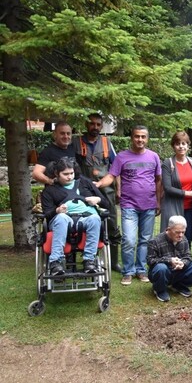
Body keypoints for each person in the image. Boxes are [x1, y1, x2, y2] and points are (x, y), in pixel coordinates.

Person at [95, 125, 162, 286]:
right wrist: (97, 185)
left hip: (149, 205)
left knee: (145, 240)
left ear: (147, 139)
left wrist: (158, 201)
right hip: (129, 205)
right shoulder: (122, 157)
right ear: (131, 138)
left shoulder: (154, 157)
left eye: (143, 137)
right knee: (129, 240)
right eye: (137, 136)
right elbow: (111, 176)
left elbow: (158, 180)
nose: (140, 139)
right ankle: (128, 271)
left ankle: (141, 269)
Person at [41, 157, 110, 276]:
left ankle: (89, 261)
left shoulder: (84, 182)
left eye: (72, 173)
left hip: (86, 217)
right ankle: (55, 262)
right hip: (63, 219)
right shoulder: (50, 190)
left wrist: (97, 199)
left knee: (95, 218)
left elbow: (106, 203)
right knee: (62, 218)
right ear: (56, 173)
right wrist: (57, 210)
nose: (69, 177)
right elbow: (47, 214)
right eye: (65, 174)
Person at [72, 113, 123, 272]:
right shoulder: (76, 143)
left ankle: (114, 262)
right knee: (85, 224)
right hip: (85, 191)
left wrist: (119, 190)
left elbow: (116, 168)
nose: (95, 127)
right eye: (92, 124)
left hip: (107, 191)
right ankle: (88, 260)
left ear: (101, 126)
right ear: (86, 125)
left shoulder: (107, 142)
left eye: (98, 124)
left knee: (112, 224)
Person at [159, 131, 192, 245]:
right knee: (173, 237)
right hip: (173, 207)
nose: (181, 146)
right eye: (178, 143)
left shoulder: (191, 162)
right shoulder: (168, 163)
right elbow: (167, 188)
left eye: (184, 143)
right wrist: (189, 194)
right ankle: (170, 261)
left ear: (188, 146)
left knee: (187, 237)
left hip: (190, 207)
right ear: (173, 146)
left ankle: (185, 261)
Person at [147, 215, 192, 302]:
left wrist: (183, 263)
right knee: (161, 268)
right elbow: (150, 261)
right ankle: (159, 290)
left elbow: (188, 256)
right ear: (168, 229)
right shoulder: (154, 241)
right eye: (177, 232)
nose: (181, 235)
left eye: (183, 232)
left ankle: (179, 285)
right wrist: (169, 260)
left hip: (178, 271)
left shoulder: (184, 239)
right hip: (163, 272)